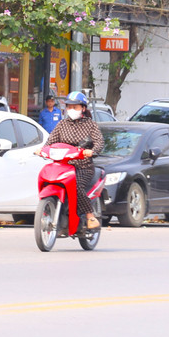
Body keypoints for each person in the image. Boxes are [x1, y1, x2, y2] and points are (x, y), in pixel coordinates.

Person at [46, 91, 105, 232]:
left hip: (83, 167)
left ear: (83, 108)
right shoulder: (62, 124)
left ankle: (90, 216)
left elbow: (99, 142)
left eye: (75, 107)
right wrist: (42, 150)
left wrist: (93, 150)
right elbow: (50, 142)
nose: (72, 110)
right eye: (69, 107)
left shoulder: (91, 125)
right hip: (63, 166)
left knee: (77, 187)